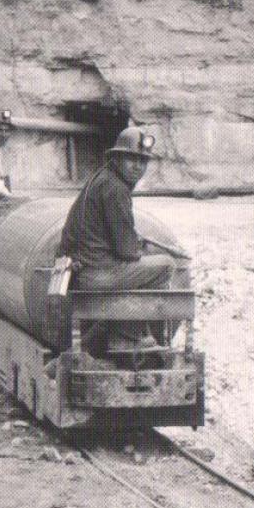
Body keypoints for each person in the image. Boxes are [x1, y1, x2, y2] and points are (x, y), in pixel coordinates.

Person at [58, 126, 175, 354]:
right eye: (131, 159)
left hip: (83, 269)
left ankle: (114, 333)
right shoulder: (116, 189)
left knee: (144, 265)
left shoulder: (102, 178)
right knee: (166, 266)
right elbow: (127, 252)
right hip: (98, 274)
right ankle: (129, 336)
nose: (137, 167)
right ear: (118, 158)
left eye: (142, 162)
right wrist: (139, 247)